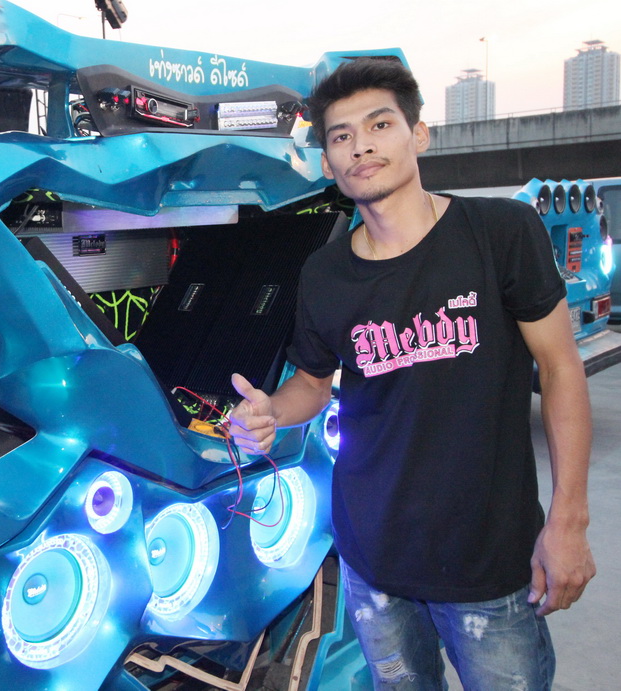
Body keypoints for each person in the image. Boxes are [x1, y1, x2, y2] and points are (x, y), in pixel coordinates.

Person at [227, 58, 595, 689]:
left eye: (380, 125)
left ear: (418, 134)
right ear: (327, 163)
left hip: (489, 566)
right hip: (373, 564)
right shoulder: (325, 272)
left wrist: (569, 520)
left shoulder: (500, 233)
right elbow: (312, 382)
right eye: (341, 136)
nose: (360, 146)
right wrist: (269, 413)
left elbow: (561, 368)